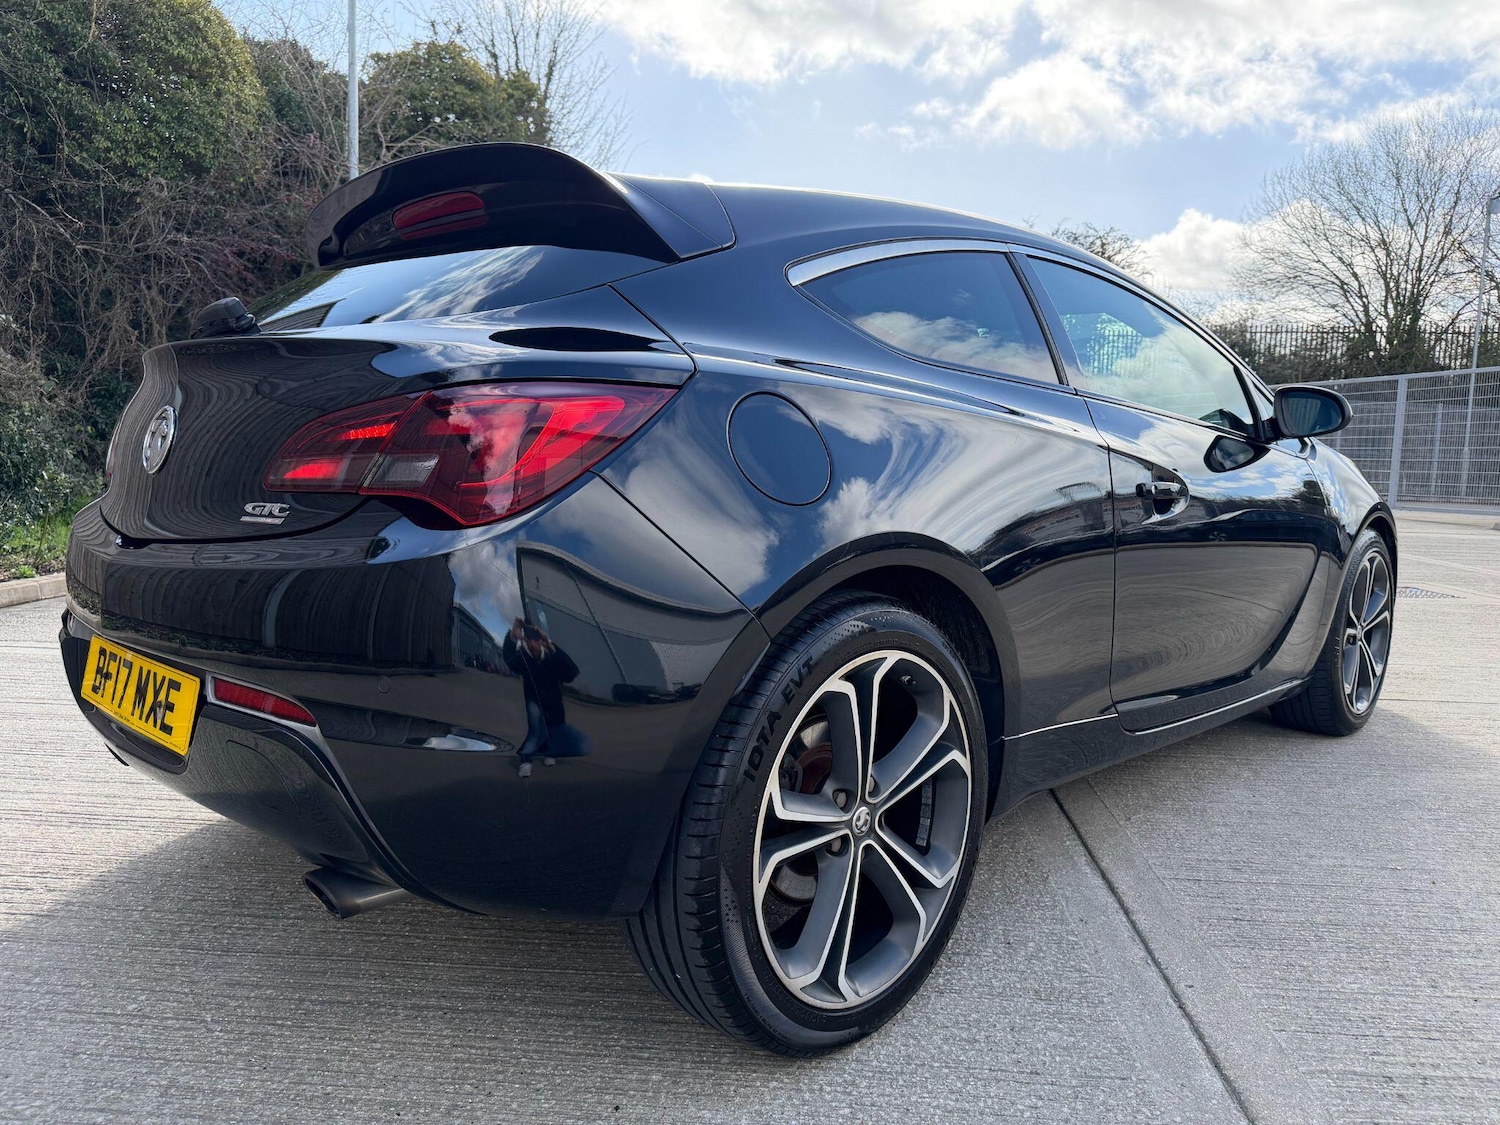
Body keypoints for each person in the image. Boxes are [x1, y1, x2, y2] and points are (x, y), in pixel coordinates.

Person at [501, 617, 589, 777]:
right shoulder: (523, 657)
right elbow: (509, 659)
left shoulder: (550, 655)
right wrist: (513, 636)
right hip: (534, 699)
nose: (533, 645)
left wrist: (550, 644)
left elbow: (571, 672)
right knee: (535, 728)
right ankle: (526, 760)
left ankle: (550, 752)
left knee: (554, 726)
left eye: (536, 640)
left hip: (553, 700)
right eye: (529, 640)